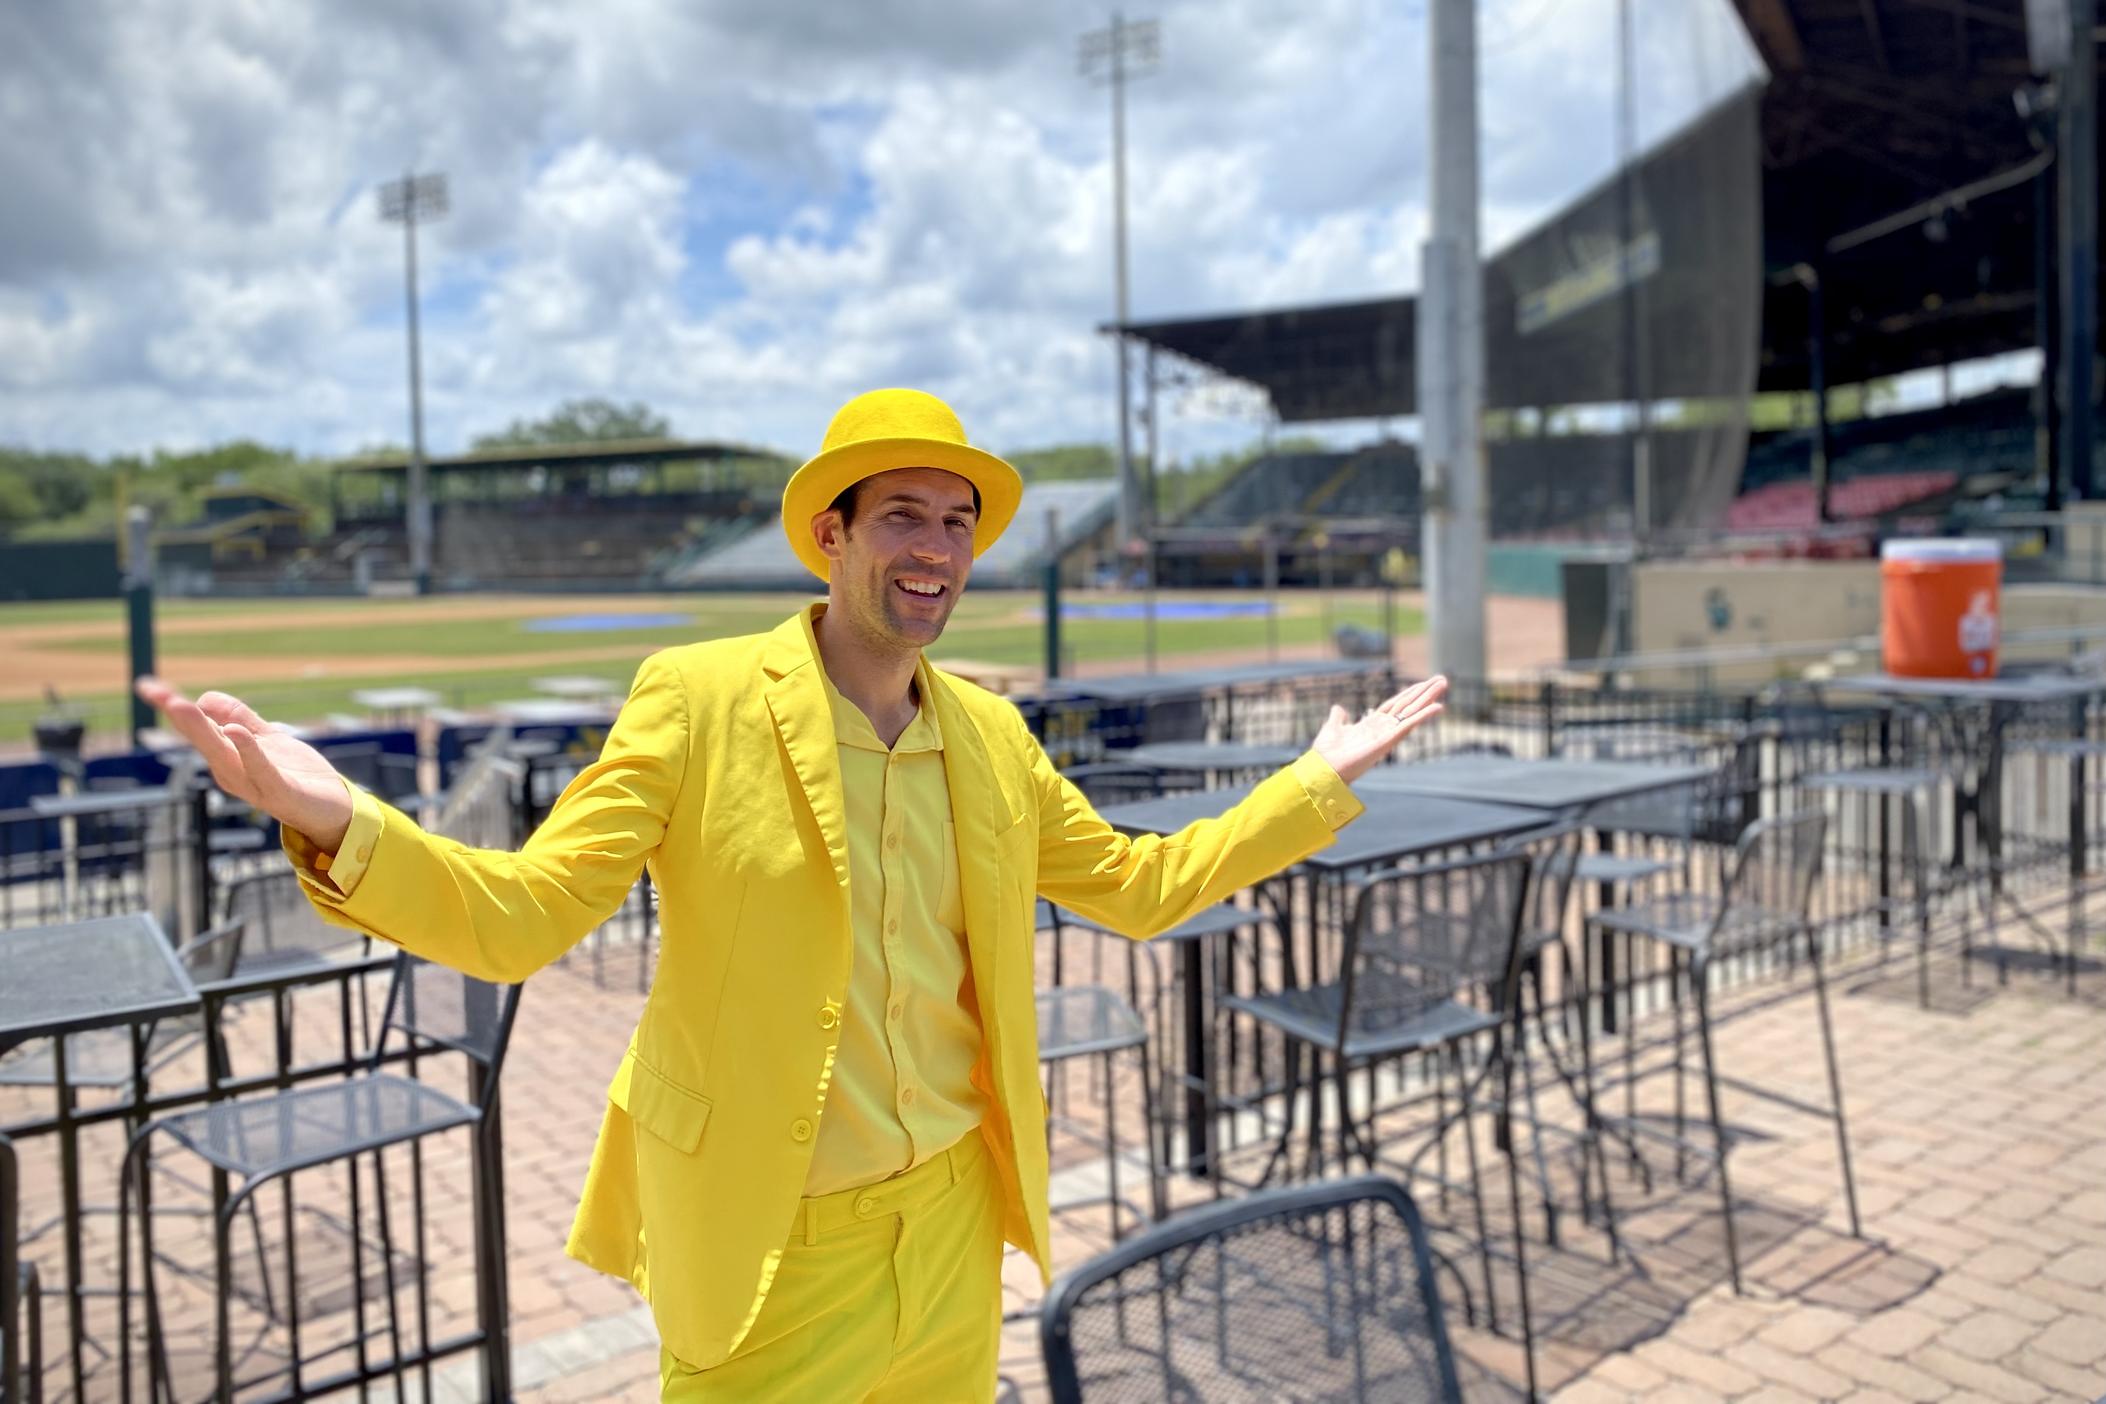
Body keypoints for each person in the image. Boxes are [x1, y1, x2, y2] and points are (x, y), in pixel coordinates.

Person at [135, 387, 1448, 1401]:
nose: (936, 550)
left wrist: (1311, 780)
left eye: (958, 524)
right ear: (831, 535)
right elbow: (523, 914)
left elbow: (1142, 887)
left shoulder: (992, 739)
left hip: (948, 1225)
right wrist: (334, 819)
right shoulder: (696, 701)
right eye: (902, 519)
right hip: (772, 1244)